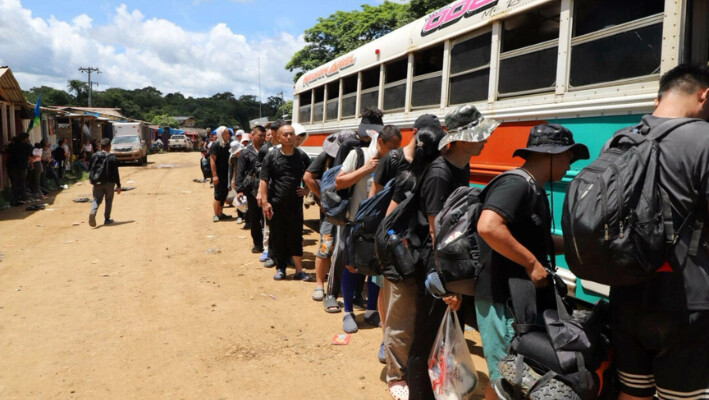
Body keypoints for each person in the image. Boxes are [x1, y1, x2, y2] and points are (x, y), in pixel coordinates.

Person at [602, 64, 709, 400]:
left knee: (633, 393)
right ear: (704, 95)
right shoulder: (704, 139)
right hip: (685, 300)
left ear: (659, 97)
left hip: (626, 294)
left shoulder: (618, 140)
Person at [473, 123, 588, 399]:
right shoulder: (515, 184)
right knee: (506, 375)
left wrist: (580, 246)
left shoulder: (533, 188)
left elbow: (538, 240)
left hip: (518, 297)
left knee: (512, 374)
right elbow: (488, 226)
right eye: (568, 157)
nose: (569, 164)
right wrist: (531, 264)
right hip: (502, 297)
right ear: (551, 154)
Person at [407, 105, 500, 400]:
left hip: (451, 264)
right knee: (426, 337)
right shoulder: (439, 173)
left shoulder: (462, 166)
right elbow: (436, 233)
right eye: (479, 135)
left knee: (446, 335)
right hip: (437, 264)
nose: (485, 140)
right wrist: (445, 283)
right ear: (461, 139)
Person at [380, 124, 445, 397]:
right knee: (401, 319)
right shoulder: (412, 177)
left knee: (408, 319)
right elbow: (389, 218)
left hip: (418, 260)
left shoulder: (434, 176)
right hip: (403, 260)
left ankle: (409, 372)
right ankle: (396, 377)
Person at [335, 124, 402, 333]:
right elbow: (339, 182)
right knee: (351, 266)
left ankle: (372, 310)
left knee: (376, 268)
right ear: (380, 142)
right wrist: (366, 169)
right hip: (355, 222)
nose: (395, 151)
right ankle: (348, 311)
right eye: (392, 147)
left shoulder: (393, 161)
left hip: (380, 226)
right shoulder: (359, 155)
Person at [303, 131, 354, 304]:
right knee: (326, 245)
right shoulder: (326, 156)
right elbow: (308, 177)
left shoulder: (358, 156)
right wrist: (323, 200)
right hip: (331, 213)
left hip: (350, 211)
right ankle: (319, 284)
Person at [258, 123, 312, 281]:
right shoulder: (271, 156)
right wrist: (265, 202)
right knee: (278, 236)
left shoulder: (301, 156)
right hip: (276, 205)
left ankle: (299, 270)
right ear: (278, 137)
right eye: (285, 134)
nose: (289, 137)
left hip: (295, 205)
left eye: (291, 134)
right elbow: (264, 180)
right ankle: (280, 268)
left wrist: (307, 190)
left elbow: (311, 174)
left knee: (296, 236)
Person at [236, 126, 267, 254]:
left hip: (266, 187)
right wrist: (239, 189)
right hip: (252, 189)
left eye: (264, 136)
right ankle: (258, 244)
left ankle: (268, 244)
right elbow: (240, 171)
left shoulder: (267, 150)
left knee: (267, 217)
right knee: (254, 217)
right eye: (260, 135)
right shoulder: (245, 152)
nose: (262, 138)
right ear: (252, 136)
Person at [88, 138, 121, 227]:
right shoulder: (112, 157)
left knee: (96, 199)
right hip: (109, 183)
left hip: (97, 182)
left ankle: (93, 212)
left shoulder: (94, 156)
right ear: (109, 146)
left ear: (100, 146)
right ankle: (107, 219)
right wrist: (118, 185)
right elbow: (116, 173)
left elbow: (90, 168)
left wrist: (92, 179)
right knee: (108, 200)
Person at [209, 126, 233, 222]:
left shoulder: (229, 145)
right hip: (218, 173)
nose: (228, 135)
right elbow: (212, 160)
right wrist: (214, 175)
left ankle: (220, 213)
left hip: (226, 173)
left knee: (224, 193)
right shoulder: (215, 145)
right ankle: (215, 214)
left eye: (228, 133)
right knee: (218, 194)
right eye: (226, 133)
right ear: (220, 134)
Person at [6, 133, 33, 206]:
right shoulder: (27, 146)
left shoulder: (12, 145)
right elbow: (30, 156)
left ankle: (15, 199)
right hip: (22, 167)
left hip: (11, 167)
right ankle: (23, 198)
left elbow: (7, 150)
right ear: (25, 138)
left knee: (14, 183)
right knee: (22, 183)